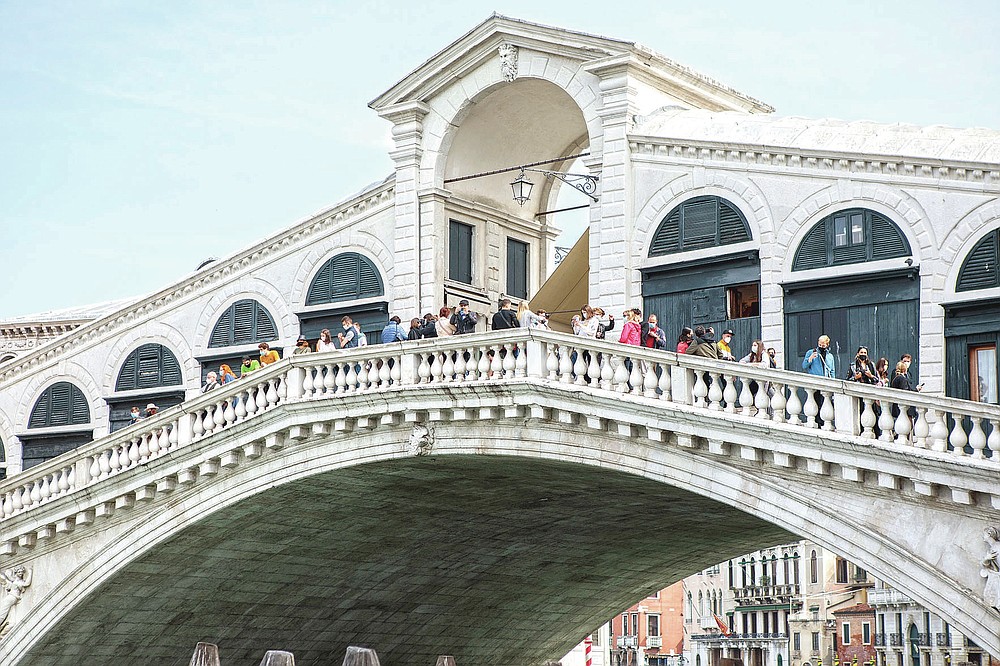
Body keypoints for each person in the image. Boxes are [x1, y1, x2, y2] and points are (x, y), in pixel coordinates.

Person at [981, 526, 1000, 609]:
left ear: (989, 534)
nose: (983, 537)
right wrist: (986, 559)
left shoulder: (997, 547)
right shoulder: (993, 547)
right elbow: (985, 564)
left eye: (984, 534)